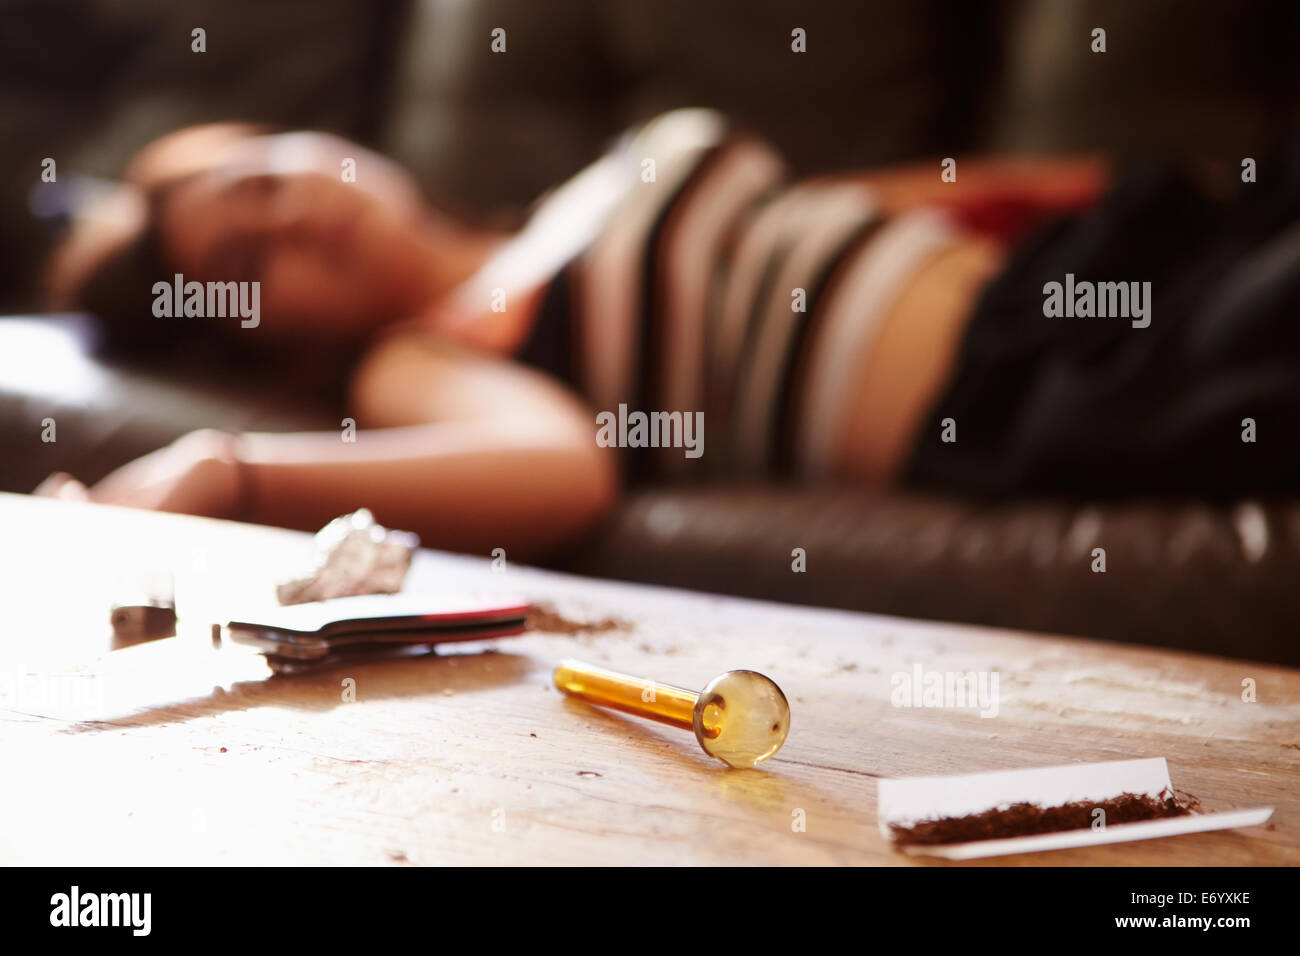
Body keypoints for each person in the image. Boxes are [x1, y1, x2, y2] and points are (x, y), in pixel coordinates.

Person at [37, 111, 1299, 556]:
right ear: (276, 343)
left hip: (1105, 261)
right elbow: (561, 470)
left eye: (264, 177)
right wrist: (226, 468)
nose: (296, 215)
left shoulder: (576, 196)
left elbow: (850, 205)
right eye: (248, 264)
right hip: (1046, 378)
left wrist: (1106, 187)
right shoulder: (425, 349)